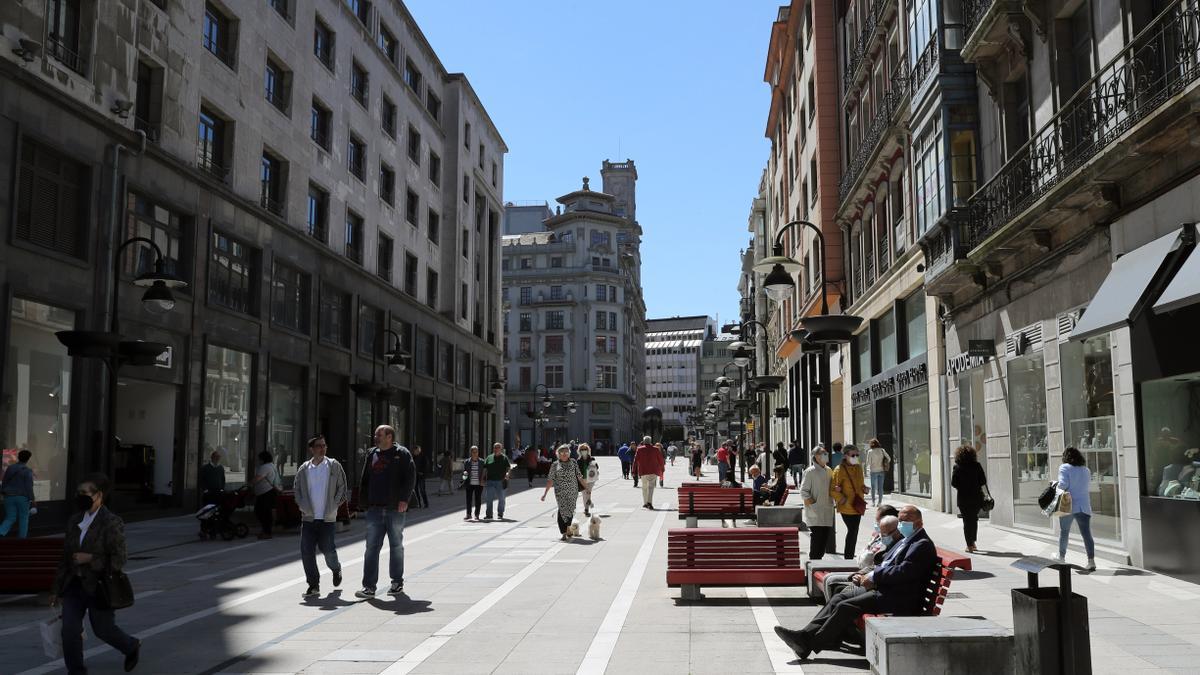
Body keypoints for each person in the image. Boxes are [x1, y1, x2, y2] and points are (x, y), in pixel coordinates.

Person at [774, 505, 937, 660]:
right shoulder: (908, 540)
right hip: (887, 589)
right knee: (839, 597)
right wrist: (867, 574)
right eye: (899, 521)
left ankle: (808, 644)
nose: (901, 525)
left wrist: (874, 577)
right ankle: (805, 635)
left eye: (904, 522)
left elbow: (904, 571)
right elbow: (886, 563)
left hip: (900, 597)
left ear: (919, 523)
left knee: (846, 607)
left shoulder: (921, 544)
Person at [51, 473, 141, 674]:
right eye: (78, 493)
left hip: (99, 585)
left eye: (84, 493)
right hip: (74, 585)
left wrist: (90, 558)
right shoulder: (74, 520)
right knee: (69, 631)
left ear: (98, 495)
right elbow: (65, 557)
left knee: (103, 630)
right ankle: (76, 671)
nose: (79, 496)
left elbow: (119, 559)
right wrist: (56, 589)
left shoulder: (111, 522)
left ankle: (131, 646)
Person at [355, 425, 416, 598]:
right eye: (375, 434)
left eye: (378, 434)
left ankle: (397, 583)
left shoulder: (402, 454)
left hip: (394, 509)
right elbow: (365, 479)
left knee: (396, 546)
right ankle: (369, 587)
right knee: (371, 547)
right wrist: (363, 501)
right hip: (374, 508)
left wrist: (404, 499)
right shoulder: (372, 453)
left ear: (389, 436)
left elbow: (410, 477)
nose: (375, 437)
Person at [293, 435, 348, 598]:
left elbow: (342, 488)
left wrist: (334, 506)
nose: (322, 448)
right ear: (311, 449)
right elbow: (297, 490)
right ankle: (313, 585)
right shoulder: (304, 469)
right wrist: (302, 506)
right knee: (307, 552)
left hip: (327, 519)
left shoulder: (333, 465)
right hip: (309, 519)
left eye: (324, 445)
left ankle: (336, 568)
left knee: (328, 550)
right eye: (319, 446)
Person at [822, 507, 900, 602]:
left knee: (833, 583)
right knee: (829, 580)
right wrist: (860, 573)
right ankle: (831, 609)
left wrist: (863, 575)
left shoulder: (891, 540)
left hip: (869, 577)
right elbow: (863, 558)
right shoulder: (878, 536)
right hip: (864, 572)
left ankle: (832, 610)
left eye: (878, 521)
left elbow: (870, 561)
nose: (876, 524)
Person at [1056, 447, 1096, 571]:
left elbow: (1063, 485)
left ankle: (1061, 558)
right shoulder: (1086, 470)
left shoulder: (1064, 467)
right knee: (1086, 534)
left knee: (1064, 532)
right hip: (1084, 505)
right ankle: (1091, 561)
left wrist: (1054, 485)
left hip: (1068, 503)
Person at [541, 445, 585, 540]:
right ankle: (564, 532)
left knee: (570, 510)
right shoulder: (555, 465)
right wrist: (545, 494)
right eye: (562, 452)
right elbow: (550, 480)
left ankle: (568, 528)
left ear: (569, 453)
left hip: (573, 491)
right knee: (562, 511)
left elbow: (579, 476)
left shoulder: (573, 462)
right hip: (560, 492)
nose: (565, 454)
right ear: (558, 454)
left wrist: (586, 488)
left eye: (566, 452)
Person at [832, 444, 868, 560]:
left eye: (857, 455)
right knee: (852, 530)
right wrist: (841, 498)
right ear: (846, 455)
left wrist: (864, 489)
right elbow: (833, 489)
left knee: (854, 531)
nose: (856, 457)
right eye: (853, 455)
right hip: (847, 506)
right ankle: (848, 557)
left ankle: (849, 556)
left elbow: (860, 484)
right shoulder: (839, 469)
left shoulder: (858, 467)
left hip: (858, 505)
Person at [950, 445, 988, 553]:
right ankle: (973, 542)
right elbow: (983, 481)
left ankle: (970, 545)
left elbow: (954, 483)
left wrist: (962, 487)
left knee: (967, 521)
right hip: (976, 498)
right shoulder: (977, 466)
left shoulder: (957, 467)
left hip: (963, 498)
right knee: (974, 519)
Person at [801, 447, 835, 560]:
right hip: (815, 510)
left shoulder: (829, 470)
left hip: (827, 509)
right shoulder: (810, 471)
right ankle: (813, 563)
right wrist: (812, 502)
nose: (826, 455)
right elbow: (803, 490)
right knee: (817, 538)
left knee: (824, 539)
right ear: (816, 456)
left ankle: (818, 562)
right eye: (823, 453)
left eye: (826, 453)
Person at [0, 449, 36, 538]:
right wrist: (33, 499)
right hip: (22, 497)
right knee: (24, 518)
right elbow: (29, 486)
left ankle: (1, 532)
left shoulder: (10, 468)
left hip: (8, 496)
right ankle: (22, 539)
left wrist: (3, 492)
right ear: (28, 459)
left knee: (10, 517)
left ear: (18, 457)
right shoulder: (27, 471)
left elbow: (4, 481)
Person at [251, 451, 281, 540]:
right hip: (269, 493)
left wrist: (249, 484)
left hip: (265, 493)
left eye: (259, 458)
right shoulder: (272, 465)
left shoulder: (265, 467)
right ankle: (266, 531)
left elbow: (258, 478)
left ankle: (267, 532)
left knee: (261, 512)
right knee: (265, 513)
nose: (258, 460)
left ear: (262, 459)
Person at [633, 435, 665, 509]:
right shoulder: (656, 449)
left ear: (644, 442)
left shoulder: (639, 449)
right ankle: (649, 502)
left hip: (643, 471)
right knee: (651, 487)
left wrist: (633, 470)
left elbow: (635, 460)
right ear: (650, 441)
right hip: (653, 470)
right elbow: (660, 459)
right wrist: (662, 468)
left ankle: (645, 502)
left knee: (644, 487)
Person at [483, 442, 511, 520]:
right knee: (489, 499)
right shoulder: (489, 457)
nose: (496, 449)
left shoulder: (504, 458)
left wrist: (507, 474)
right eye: (495, 447)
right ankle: (489, 515)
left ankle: (500, 514)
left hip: (500, 481)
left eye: (498, 447)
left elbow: (508, 468)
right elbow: (485, 469)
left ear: (501, 449)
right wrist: (482, 479)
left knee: (501, 499)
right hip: (490, 481)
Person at [462, 446, 485, 521]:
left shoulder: (482, 462)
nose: (475, 453)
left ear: (478, 452)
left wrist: (483, 480)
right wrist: (464, 479)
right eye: (473, 452)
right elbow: (464, 472)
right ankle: (468, 514)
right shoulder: (467, 462)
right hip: (469, 483)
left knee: (478, 499)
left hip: (479, 484)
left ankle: (477, 515)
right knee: (468, 499)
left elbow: (485, 472)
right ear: (471, 453)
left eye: (476, 452)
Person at [865, 439, 890, 507]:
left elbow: (868, 462)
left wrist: (868, 468)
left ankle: (873, 502)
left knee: (873, 487)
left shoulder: (870, 451)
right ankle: (879, 502)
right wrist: (883, 463)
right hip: (881, 470)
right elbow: (889, 458)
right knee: (880, 487)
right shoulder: (882, 450)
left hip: (873, 471)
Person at [577, 443, 599, 516]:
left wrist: (593, 465)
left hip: (591, 479)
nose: (584, 451)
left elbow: (597, 467)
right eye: (582, 449)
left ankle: (587, 508)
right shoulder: (579, 460)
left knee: (588, 492)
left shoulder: (592, 459)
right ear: (580, 451)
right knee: (584, 494)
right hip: (582, 479)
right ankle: (587, 506)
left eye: (585, 449)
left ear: (588, 450)